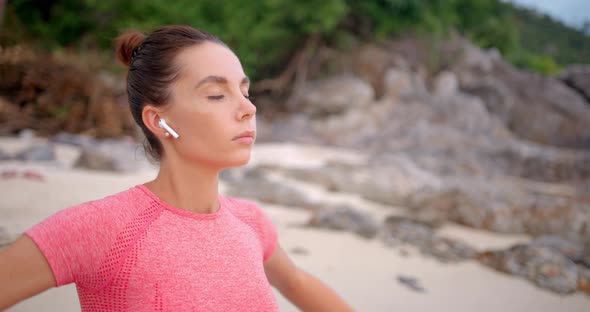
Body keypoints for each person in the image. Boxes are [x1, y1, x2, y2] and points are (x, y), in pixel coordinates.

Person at [0, 25, 355, 311]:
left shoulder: (251, 221)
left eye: (245, 91)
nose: (249, 109)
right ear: (159, 121)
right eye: (217, 94)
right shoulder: (102, 228)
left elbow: (296, 283)